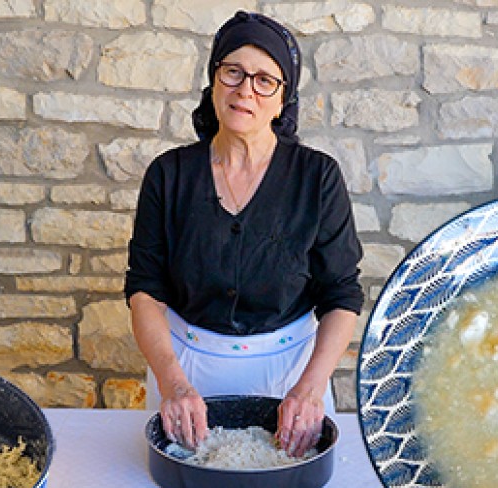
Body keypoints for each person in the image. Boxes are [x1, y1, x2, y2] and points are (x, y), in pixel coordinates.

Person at [124, 11, 364, 457]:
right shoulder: (168, 175)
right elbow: (145, 290)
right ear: (213, 79)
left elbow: (342, 295)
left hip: (289, 377)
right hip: (184, 372)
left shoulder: (317, 178)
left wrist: (310, 389)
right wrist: (173, 383)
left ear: (283, 98)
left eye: (264, 80)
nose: (245, 90)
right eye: (233, 71)